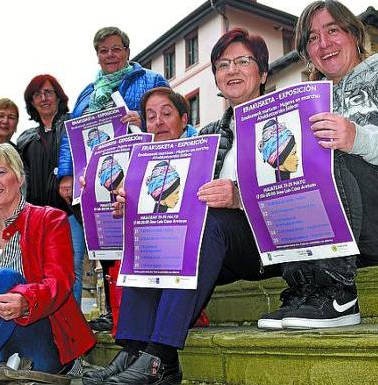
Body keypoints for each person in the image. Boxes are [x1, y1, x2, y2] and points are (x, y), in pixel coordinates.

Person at [82, 30, 279, 385]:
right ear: (217, 78)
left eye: (242, 62)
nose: (231, 70)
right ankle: (134, 346)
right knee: (155, 233)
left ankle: (161, 356)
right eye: (222, 64)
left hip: (267, 239)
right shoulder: (212, 135)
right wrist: (136, 207)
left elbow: (295, 183)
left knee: (207, 224)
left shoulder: (283, 117)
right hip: (219, 247)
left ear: (263, 73)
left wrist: (237, 195)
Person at [258, 0, 378, 330]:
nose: (324, 43)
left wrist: (359, 138)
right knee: (282, 169)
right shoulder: (313, 101)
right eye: (313, 38)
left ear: (354, 34)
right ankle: (307, 289)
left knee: (334, 150)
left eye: (332, 30)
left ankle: (338, 293)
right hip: (362, 244)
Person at [62, 26, 169, 333]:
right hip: (98, 176)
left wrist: (140, 116)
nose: (110, 55)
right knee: (106, 240)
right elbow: (71, 135)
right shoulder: (87, 93)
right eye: (103, 50)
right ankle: (114, 309)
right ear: (97, 55)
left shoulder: (149, 79)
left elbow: (170, 112)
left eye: (115, 48)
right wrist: (67, 172)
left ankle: (148, 307)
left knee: (137, 237)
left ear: (127, 51)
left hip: (138, 167)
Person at [0, 143, 95, 374]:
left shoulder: (50, 219)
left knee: (5, 279)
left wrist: (25, 301)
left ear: (20, 178)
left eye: (0, 172)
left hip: (43, 330)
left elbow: (60, 281)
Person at [17, 74, 86, 306]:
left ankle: (74, 328)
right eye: (37, 94)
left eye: (49, 92)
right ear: (31, 101)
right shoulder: (25, 139)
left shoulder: (74, 125)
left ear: (58, 96)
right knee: (40, 269)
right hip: (37, 215)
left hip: (69, 212)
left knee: (72, 266)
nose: (44, 98)